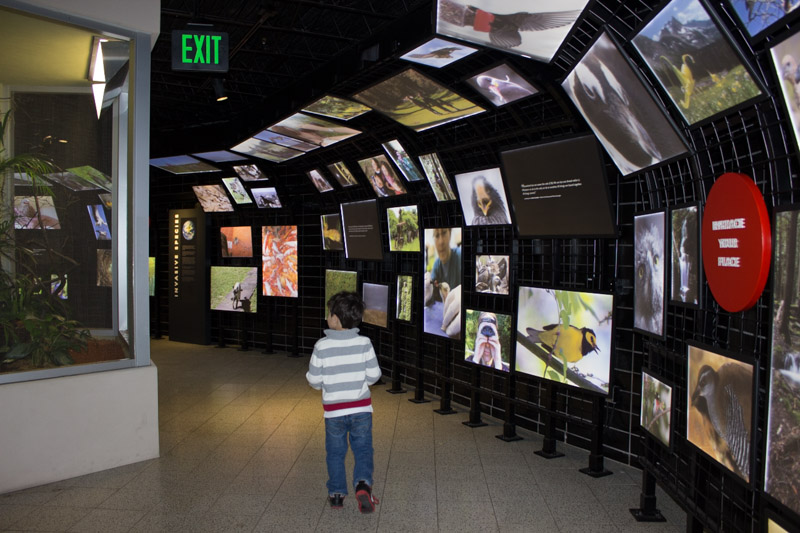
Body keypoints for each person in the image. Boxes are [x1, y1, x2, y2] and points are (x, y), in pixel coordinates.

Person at [306, 291, 382, 513]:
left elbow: (314, 380)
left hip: (334, 413)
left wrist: (325, 384)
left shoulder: (321, 346)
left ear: (335, 319)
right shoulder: (365, 343)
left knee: (336, 453)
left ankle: (337, 493)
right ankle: (363, 484)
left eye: (329, 314)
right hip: (361, 410)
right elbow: (374, 375)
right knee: (364, 450)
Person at [429, 228, 461, 302]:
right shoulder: (437, 265)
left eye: (444, 233)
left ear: (450, 233)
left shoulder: (460, 257)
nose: (441, 242)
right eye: (437, 235)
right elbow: (431, 286)